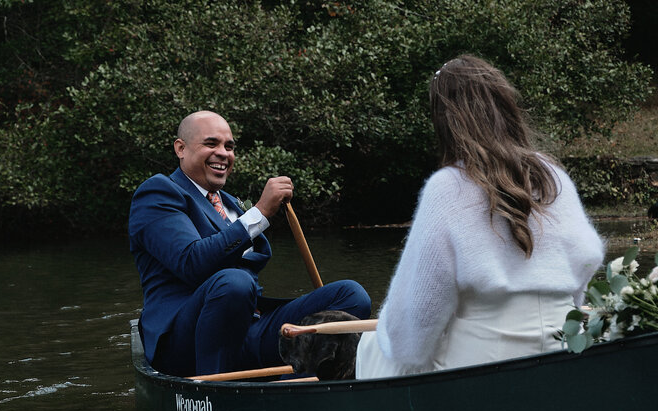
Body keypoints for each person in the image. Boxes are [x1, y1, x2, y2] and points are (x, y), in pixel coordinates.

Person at [356, 55, 605, 378]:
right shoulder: (552, 176)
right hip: (563, 347)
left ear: (446, 122)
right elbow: (585, 262)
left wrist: (387, 334)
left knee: (373, 347)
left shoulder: (447, 188)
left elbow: (414, 333)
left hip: (485, 363)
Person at [129, 110, 371, 377]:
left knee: (350, 295)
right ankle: (216, 390)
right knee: (234, 283)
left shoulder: (231, 203)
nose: (223, 153)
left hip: (249, 328)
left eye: (229, 147)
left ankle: (294, 386)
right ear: (181, 149)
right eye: (211, 144)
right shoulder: (158, 192)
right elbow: (191, 263)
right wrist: (260, 213)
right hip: (186, 341)